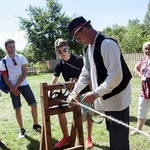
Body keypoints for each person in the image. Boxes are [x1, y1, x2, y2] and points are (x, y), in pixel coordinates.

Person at [67, 16, 132, 150]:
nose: (76, 39)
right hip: (107, 101)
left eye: (76, 35)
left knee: (119, 141)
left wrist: (95, 94)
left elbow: (115, 76)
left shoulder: (107, 44)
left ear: (84, 29)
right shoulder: (88, 49)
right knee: (114, 136)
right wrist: (75, 91)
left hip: (117, 101)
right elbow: (86, 72)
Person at [50, 38, 93, 149]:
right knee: (60, 110)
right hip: (70, 93)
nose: (63, 53)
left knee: (87, 113)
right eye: (60, 51)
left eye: (64, 49)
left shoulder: (79, 60)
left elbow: (89, 77)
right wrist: (48, 93)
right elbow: (55, 79)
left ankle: (88, 138)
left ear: (68, 48)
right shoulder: (59, 63)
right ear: (57, 52)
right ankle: (66, 137)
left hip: (84, 91)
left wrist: (92, 92)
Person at [0, 39, 41, 138]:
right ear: (6, 48)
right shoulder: (3, 62)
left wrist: (16, 86)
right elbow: (5, 77)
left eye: (13, 46)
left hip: (23, 85)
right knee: (17, 109)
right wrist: (13, 89)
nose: (12, 48)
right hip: (12, 87)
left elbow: (24, 73)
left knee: (34, 105)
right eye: (10, 47)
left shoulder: (21, 57)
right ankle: (22, 129)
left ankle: (35, 125)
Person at [130, 41, 150, 135]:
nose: (147, 50)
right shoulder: (143, 60)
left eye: (149, 48)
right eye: (146, 48)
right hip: (145, 89)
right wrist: (140, 75)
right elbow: (135, 68)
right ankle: (138, 129)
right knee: (141, 108)